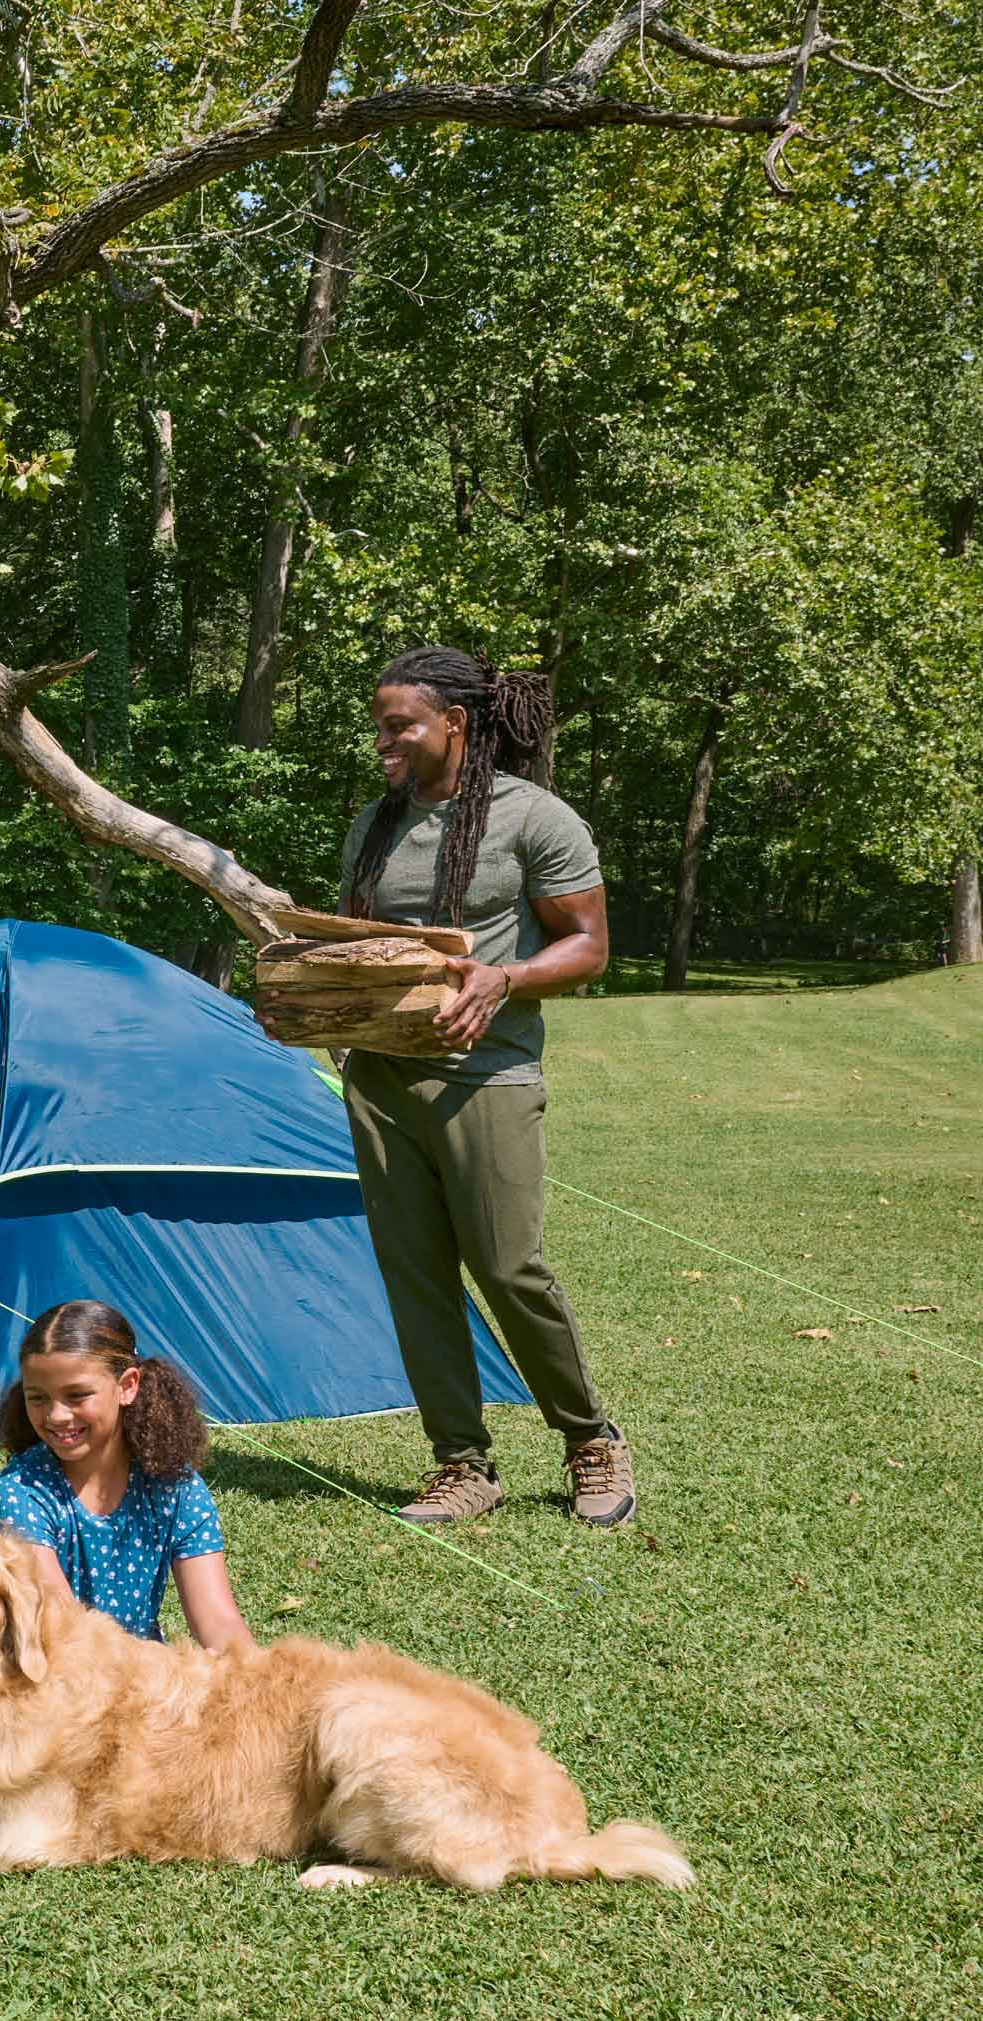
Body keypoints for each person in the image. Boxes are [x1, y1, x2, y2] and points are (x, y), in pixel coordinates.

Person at [337, 645, 634, 1528]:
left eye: (400, 725)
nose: (383, 741)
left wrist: (503, 980)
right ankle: (461, 1464)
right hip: (382, 1080)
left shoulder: (535, 818)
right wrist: (314, 1005)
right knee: (415, 1275)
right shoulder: (374, 824)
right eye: (380, 725)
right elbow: (361, 947)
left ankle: (591, 1442)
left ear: (455, 724)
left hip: (487, 1078)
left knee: (509, 1267)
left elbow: (589, 947)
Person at [0, 1300, 255, 1650]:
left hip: (138, 1678)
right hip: (55, 1681)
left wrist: (252, 1684)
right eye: (37, 1398)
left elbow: (218, 1622)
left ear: (127, 1386)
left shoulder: (177, 1488)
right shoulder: (18, 1493)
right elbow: (62, 1628)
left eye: (77, 1395)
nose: (57, 1415)